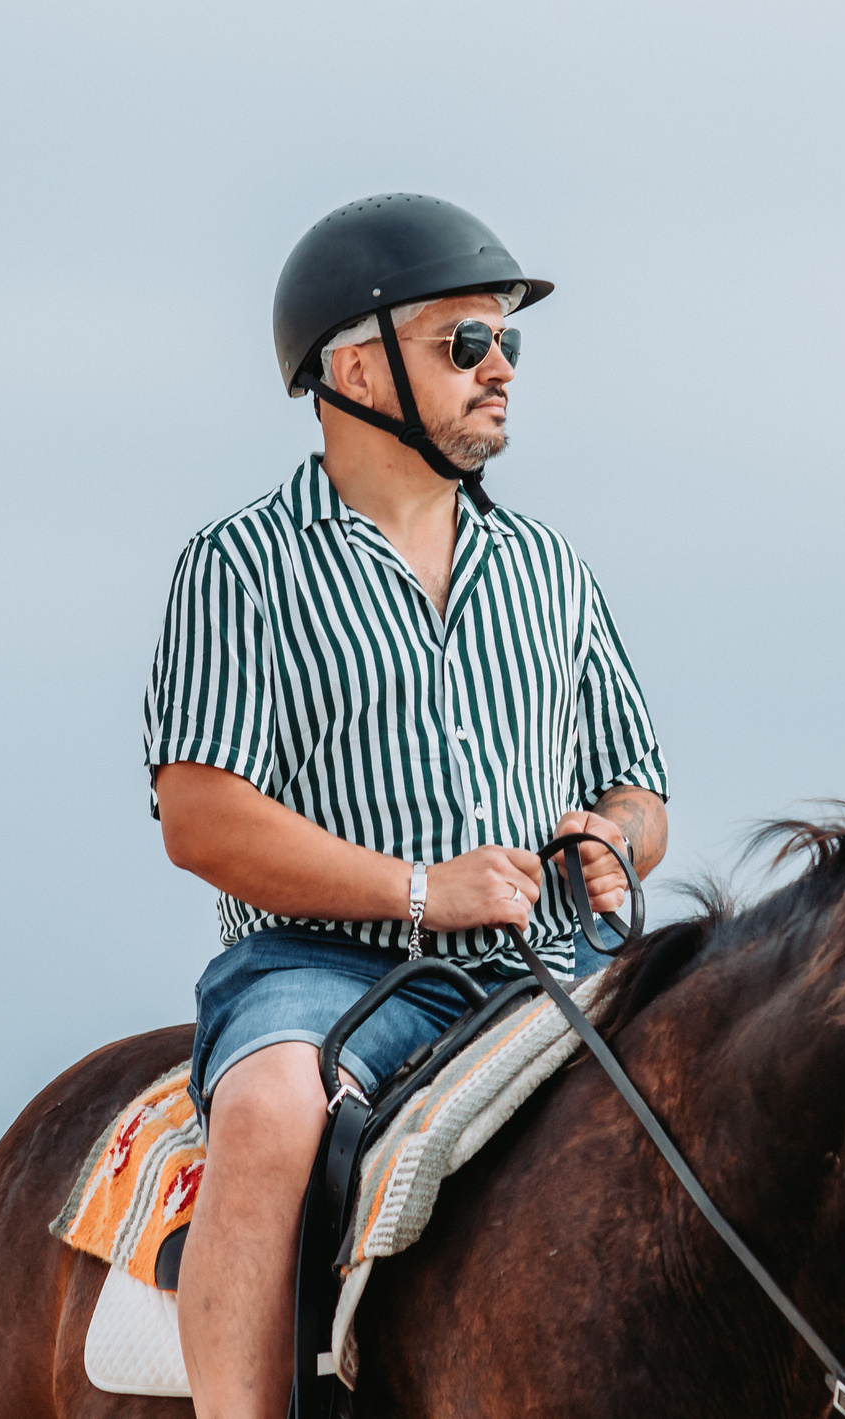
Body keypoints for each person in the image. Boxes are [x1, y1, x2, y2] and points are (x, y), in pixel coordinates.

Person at [142, 193, 670, 1419]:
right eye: (465, 344)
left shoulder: (551, 571)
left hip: (545, 966)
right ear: (357, 366)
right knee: (273, 1108)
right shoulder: (240, 567)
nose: (501, 373)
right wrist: (420, 891)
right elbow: (200, 817)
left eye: (509, 346)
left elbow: (639, 792)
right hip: (320, 972)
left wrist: (609, 839)